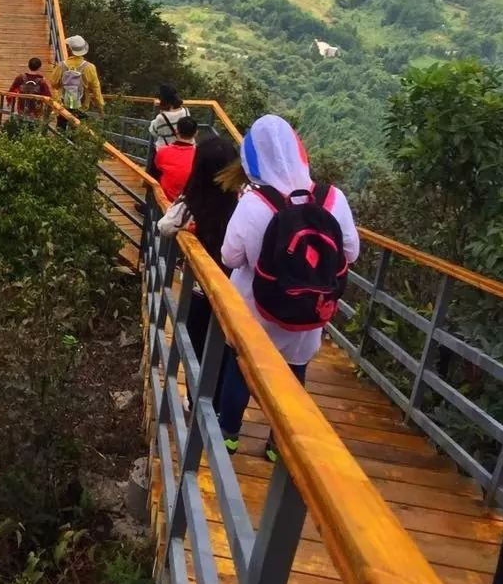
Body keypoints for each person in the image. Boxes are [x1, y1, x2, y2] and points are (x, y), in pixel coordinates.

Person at [217, 114, 360, 461]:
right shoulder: (332, 199)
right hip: (309, 308)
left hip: (256, 306)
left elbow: (230, 256)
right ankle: (277, 445)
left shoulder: (255, 202)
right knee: (295, 370)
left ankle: (229, 436)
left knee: (242, 366)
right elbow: (351, 251)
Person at [178, 134, 242, 370]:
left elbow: (166, 225)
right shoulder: (244, 200)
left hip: (202, 283)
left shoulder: (195, 199)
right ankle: (213, 402)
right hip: (235, 287)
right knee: (227, 348)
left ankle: (196, 400)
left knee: (197, 339)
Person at [49, 34, 105, 119]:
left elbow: (53, 84)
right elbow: (96, 89)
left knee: (61, 128)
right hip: (81, 107)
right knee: (79, 129)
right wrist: (101, 108)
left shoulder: (61, 66)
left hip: (63, 106)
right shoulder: (90, 67)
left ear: (70, 49)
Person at [153, 115, 199, 201]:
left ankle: (149, 208)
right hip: (189, 199)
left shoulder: (163, 151)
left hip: (167, 197)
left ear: (176, 131)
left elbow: (158, 167)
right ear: (196, 133)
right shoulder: (199, 155)